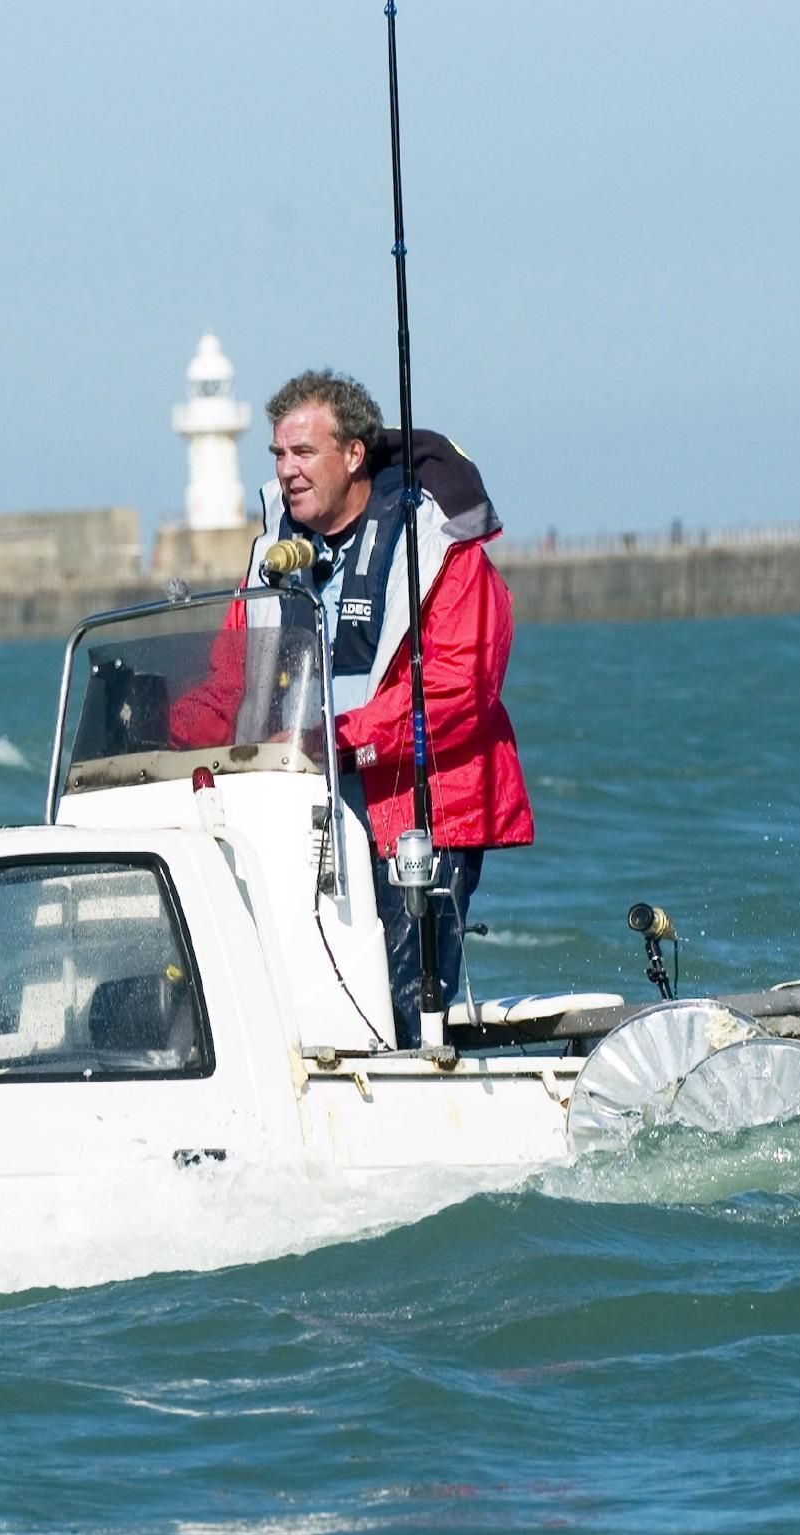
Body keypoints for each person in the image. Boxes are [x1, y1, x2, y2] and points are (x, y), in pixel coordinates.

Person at [174, 370, 531, 1043]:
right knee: (277, 990)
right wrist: (167, 731)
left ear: (354, 455)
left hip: (420, 810)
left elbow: (457, 694)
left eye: (304, 453)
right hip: (302, 813)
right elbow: (229, 685)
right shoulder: (272, 559)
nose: (287, 471)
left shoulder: (438, 549)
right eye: (278, 455)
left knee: (398, 1005)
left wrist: (337, 739)